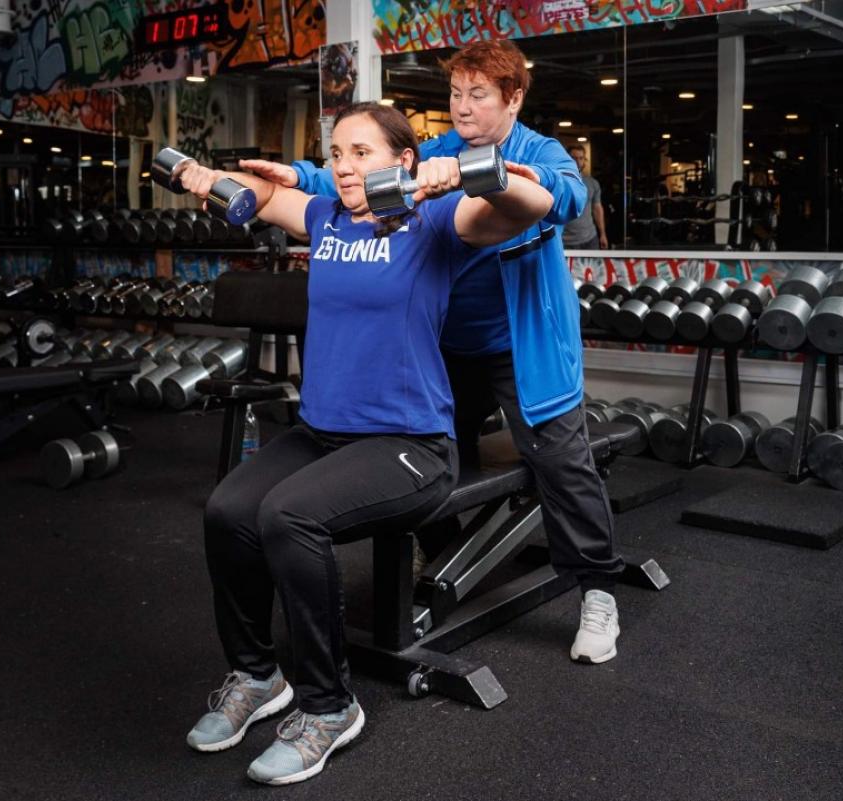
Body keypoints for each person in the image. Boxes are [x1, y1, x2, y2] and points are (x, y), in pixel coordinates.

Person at [175, 102, 554, 785]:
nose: (346, 165)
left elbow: (532, 204)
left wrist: (464, 172)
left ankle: (328, 705)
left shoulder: (434, 222)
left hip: (410, 444)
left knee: (289, 515)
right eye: (337, 153)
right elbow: (264, 197)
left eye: (363, 152)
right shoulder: (325, 219)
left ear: (403, 160)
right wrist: (213, 177)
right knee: (229, 510)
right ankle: (259, 675)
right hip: (325, 432)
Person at [245, 38, 628, 668]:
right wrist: (303, 175)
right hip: (448, 343)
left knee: (560, 458)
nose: (463, 106)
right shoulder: (441, 149)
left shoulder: (540, 151)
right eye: (456, 93)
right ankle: (445, 550)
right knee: (423, 453)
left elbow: (565, 197)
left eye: (478, 94)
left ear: (513, 98)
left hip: (518, 343)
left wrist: (489, 174)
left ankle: (596, 588)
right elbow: (371, 174)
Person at [562, 143, 608, 250]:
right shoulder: (559, 182)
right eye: (574, 158)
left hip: (590, 239)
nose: (577, 162)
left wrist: (603, 234)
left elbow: (597, 210)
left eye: (581, 158)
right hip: (565, 241)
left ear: (584, 161)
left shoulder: (592, 183)